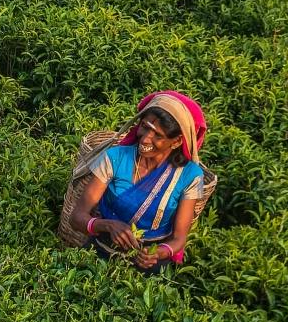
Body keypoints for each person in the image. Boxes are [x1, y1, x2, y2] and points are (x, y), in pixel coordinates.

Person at [64, 91, 212, 272]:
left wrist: (158, 253)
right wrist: (108, 225)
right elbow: (76, 217)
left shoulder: (189, 175)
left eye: (158, 135)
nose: (145, 138)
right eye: (144, 126)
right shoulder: (115, 158)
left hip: (151, 258)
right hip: (103, 247)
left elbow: (179, 238)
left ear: (176, 142)